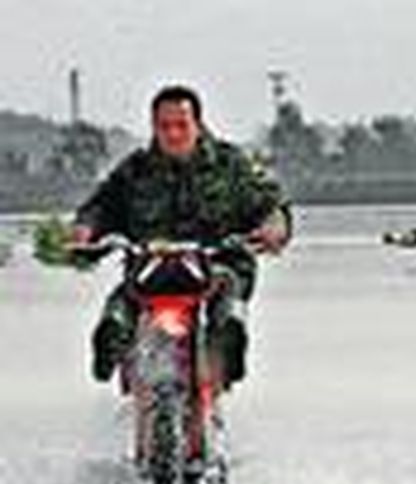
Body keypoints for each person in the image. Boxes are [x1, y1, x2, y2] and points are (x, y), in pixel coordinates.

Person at [71, 85, 292, 386]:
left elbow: (270, 204)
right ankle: (110, 345)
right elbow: (100, 207)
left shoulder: (231, 165)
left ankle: (228, 348)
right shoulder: (134, 170)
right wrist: (85, 231)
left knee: (227, 299)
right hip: (152, 267)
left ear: (198, 124)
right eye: (164, 126)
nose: (173, 134)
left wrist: (273, 227)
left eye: (181, 125)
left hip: (215, 264)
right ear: (154, 127)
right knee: (122, 302)